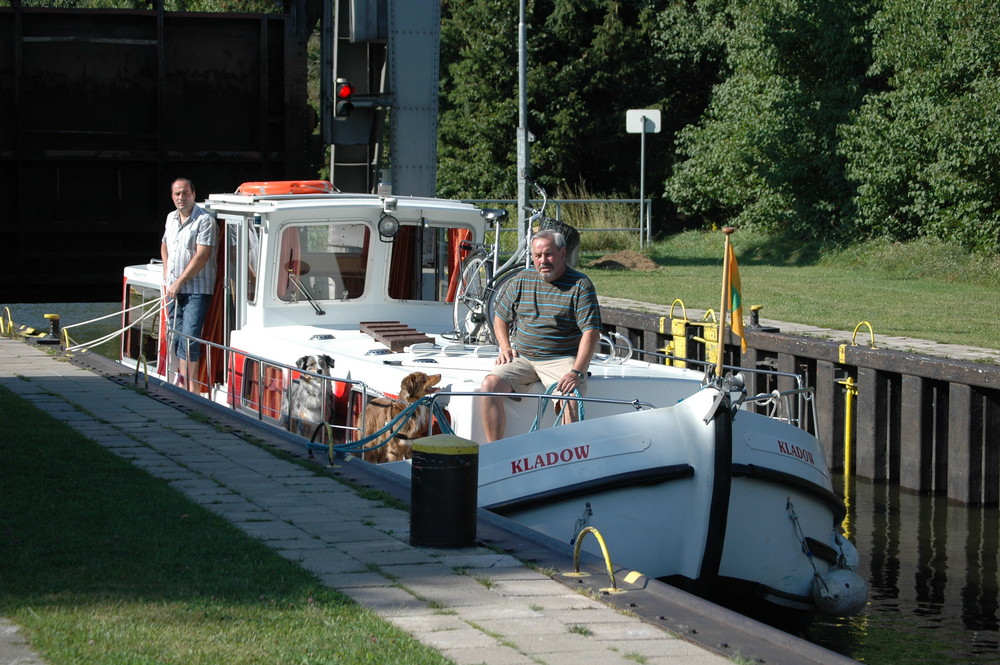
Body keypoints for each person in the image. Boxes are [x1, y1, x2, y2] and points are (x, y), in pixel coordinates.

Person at [480, 229, 602, 442]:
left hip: (561, 359)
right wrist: (505, 347)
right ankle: (494, 449)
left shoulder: (581, 285)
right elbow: (501, 317)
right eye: (537, 256)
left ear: (563, 253)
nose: (543, 261)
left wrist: (577, 372)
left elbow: (591, 333)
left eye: (549, 254)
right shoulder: (521, 279)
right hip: (523, 358)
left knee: (570, 399)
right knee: (489, 385)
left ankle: (567, 456)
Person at [161, 177, 217, 392]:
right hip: (174, 289)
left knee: (190, 338)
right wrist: (167, 273)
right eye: (177, 194)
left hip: (196, 290)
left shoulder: (204, 220)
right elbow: (165, 245)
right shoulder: (170, 218)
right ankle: (182, 380)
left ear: (193, 194)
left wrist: (179, 282)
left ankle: (190, 389)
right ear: (172, 196)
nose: (181, 197)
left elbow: (202, 256)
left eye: (185, 193)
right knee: (175, 335)